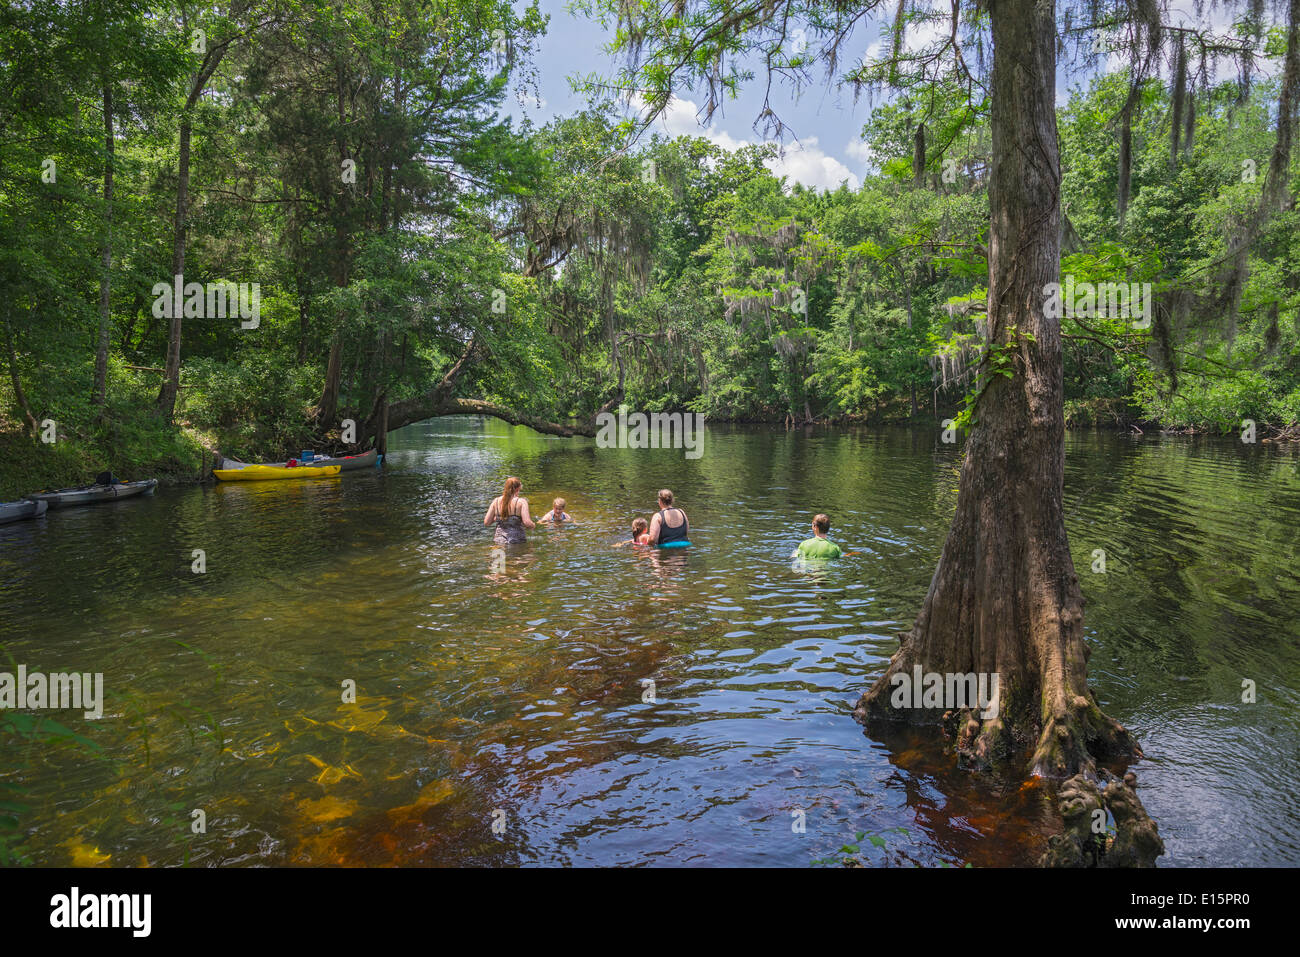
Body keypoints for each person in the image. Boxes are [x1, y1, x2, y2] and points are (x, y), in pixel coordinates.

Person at [483, 476, 535, 544]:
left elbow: (487, 522)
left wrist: (496, 518)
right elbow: (527, 523)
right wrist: (533, 525)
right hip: (517, 541)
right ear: (518, 488)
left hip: (499, 541)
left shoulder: (496, 501)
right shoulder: (521, 502)